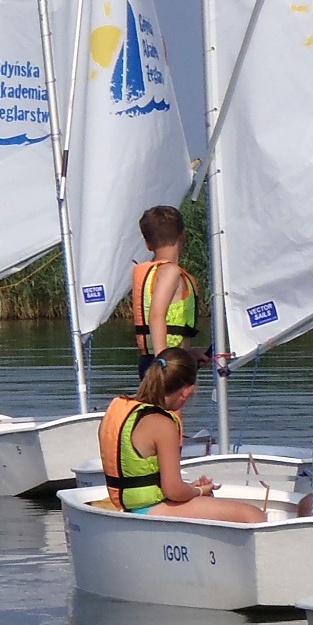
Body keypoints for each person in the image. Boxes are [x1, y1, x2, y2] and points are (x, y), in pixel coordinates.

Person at [98, 349, 266, 523]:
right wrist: (200, 491)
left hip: (126, 506)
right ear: (187, 391)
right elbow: (173, 491)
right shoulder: (162, 424)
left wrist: (190, 488)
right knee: (254, 516)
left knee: (209, 503)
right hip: (148, 511)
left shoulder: (119, 409)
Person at [131, 205, 201, 368]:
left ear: (147, 244)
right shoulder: (170, 272)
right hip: (163, 364)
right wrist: (163, 363)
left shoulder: (157, 272)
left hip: (164, 359)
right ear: (183, 236)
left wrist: (189, 354)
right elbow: (156, 316)